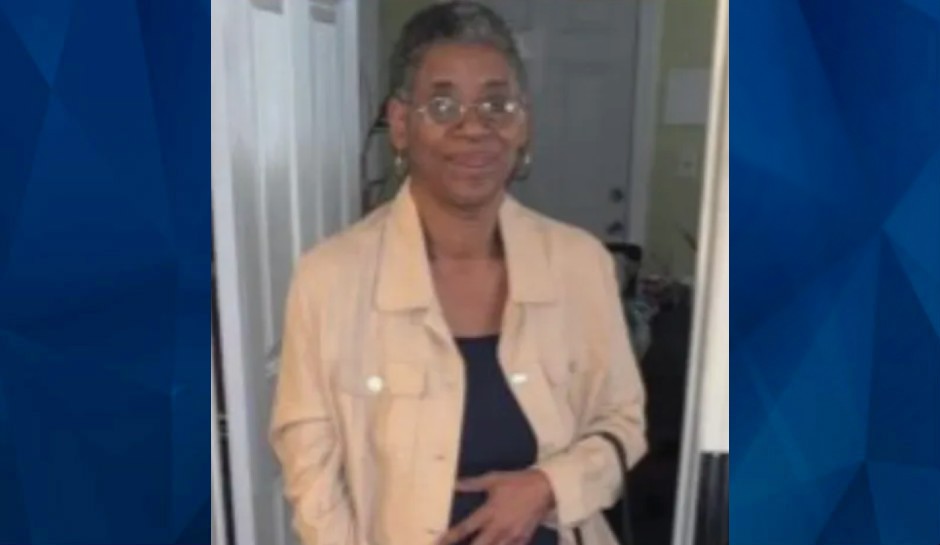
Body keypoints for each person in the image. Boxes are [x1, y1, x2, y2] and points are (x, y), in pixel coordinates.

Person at [270, 3, 647, 545]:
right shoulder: (329, 280)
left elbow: (623, 421)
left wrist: (548, 486)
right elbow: (310, 469)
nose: (474, 128)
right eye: (443, 105)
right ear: (402, 124)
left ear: (522, 124)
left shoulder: (580, 264)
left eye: (497, 104)